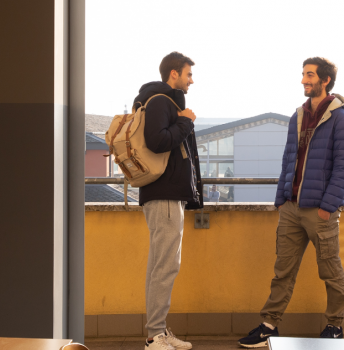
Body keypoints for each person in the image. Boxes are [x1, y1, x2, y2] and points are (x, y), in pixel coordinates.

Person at [239, 57, 344, 348]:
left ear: (325, 80)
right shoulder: (298, 116)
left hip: (320, 211)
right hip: (292, 208)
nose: (304, 80)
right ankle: (269, 326)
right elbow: (288, 159)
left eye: (309, 75)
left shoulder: (342, 119)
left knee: (330, 270)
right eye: (303, 74)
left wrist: (328, 207)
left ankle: (334, 326)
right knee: (283, 271)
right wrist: (281, 198)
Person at [137, 51, 203, 350]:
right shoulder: (163, 102)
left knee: (159, 266)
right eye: (188, 74)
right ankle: (155, 337)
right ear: (173, 74)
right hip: (164, 194)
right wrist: (186, 122)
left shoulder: (162, 101)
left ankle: (158, 331)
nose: (192, 80)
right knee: (165, 267)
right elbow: (158, 140)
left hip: (163, 194)